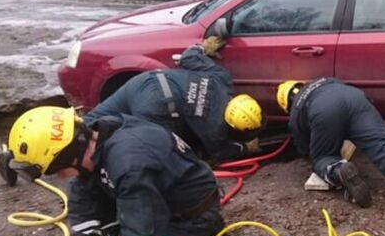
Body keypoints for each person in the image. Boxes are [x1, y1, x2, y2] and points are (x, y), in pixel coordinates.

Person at [8, 107, 225, 236]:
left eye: (57, 170)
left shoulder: (129, 162)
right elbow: (82, 187)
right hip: (156, 199)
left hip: (189, 216)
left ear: (68, 155)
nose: (60, 177)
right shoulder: (96, 136)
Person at [277, 79, 385, 223]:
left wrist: (319, 149)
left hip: (324, 111)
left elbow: (304, 148)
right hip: (355, 98)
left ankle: (338, 170)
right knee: (384, 146)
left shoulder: (296, 110)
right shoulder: (324, 80)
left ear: (287, 104)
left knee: (322, 157)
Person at [86, 34, 262, 163]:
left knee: (92, 120)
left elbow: (188, 57)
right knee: (164, 154)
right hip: (157, 109)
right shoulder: (214, 130)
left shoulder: (222, 78)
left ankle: (67, 132)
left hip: (146, 81)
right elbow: (218, 153)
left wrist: (203, 46)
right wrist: (245, 148)